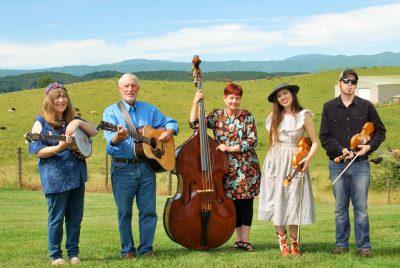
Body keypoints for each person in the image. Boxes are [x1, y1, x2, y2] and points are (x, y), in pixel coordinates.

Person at [102, 73, 178, 258]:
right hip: (122, 168)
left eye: (133, 86)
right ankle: (127, 250)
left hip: (146, 167)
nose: (130, 89)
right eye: (126, 86)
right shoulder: (111, 112)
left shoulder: (149, 110)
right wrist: (117, 137)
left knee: (148, 211)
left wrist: (169, 131)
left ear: (138, 88)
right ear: (120, 89)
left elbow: (171, 122)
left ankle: (146, 249)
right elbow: (109, 144)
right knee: (124, 212)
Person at [29, 82, 97, 265]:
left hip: (77, 175)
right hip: (55, 177)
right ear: (49, 101)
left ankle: (73, 253)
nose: (61, 100)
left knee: (75, 218)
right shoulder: (40, 122)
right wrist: (58, 148)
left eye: (63, 96)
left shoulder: (72, 119)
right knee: (57, 218)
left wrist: (77, 121)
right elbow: (36, 150)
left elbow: (94, 131)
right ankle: (56, 255)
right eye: (56, 97)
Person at [319, 69, 386, 257]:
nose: (350, 84)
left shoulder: (367, 106)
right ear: (340, 83)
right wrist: (341, 149)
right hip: (337, 164)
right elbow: (324, 137)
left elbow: (380, 131)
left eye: (353, 82)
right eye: (346, 81)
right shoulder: (328, 107)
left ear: (356, 85)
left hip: (361, 165)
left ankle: (364, 247)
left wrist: (369, 147)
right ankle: (341, 244)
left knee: (361, 209)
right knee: (340, 208)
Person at [189, 83, 261, 252]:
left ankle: (246, 240)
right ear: (224, 98)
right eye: (231, 98)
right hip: (223, 166)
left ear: (240, 99)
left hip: (246, 167)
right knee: (232, 202)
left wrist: (230, 148)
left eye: (237, 98)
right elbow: (194, 124)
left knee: (246, 202)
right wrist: (195, 102)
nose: (234, 101)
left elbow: (252, 141)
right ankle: (237, 240)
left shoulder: (247, 116)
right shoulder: (217, 115)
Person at [258, 83, 318, 256]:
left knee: (294, 201)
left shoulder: (303, 115)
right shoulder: (273, 117)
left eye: (285, 93)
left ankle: (295, 243)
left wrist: (307, 158)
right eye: (279, 96)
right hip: (276, 161)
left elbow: (315, 141)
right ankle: (282, 243)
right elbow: (273, 143)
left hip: (295, 161)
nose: (283, 97)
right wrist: (271, 163)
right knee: (277, 200)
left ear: (292, 94)